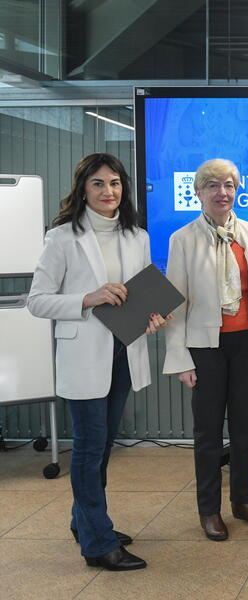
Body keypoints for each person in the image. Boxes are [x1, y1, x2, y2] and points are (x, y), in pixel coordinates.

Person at [27, 153, 168, 571]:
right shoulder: (62, 237)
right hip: (85, 354)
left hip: (125, 350)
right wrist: (88, 298)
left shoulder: (136, 235)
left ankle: (83, 520)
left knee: (104, 446)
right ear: (83, 190)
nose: (109, 192)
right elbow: (36, 301)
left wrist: (155, 314)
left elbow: (143, 293)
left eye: (115, 184)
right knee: (89, 450)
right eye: (98, 184)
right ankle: (98, 542)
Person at [162, 158, 248, 541]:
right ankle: (209, 510)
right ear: (197, 192)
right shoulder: (182, 239)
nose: (222, 192)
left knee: (246, 429)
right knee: (209, 434)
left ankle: (243, 501)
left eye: (229, 184)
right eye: (212, 185)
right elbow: (174, 304)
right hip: (205, 347)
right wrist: (180, 357)